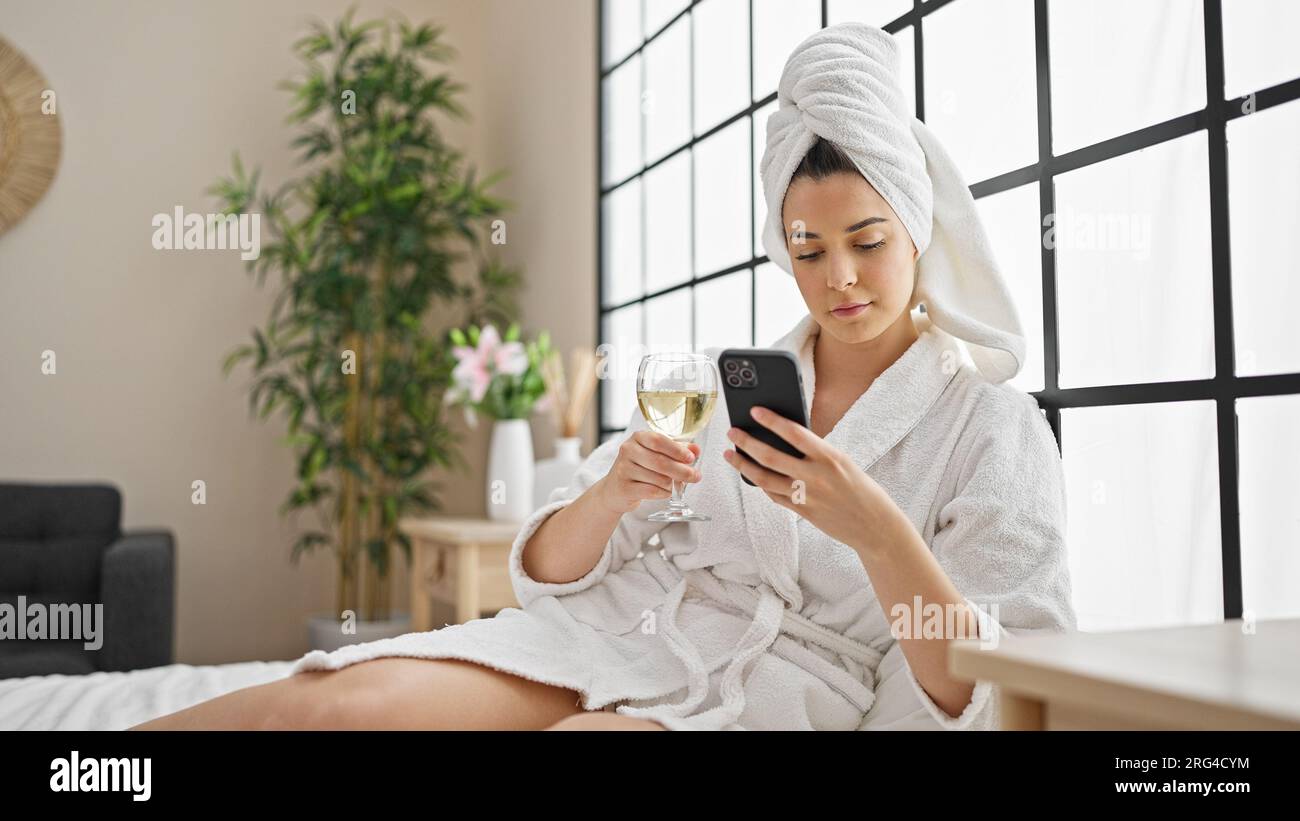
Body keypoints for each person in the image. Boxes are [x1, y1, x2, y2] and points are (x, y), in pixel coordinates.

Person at [131, 22, 1075, 732]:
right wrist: (616, 493)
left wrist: (877, 530)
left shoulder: (989, 424)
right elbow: (546, 569)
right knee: (331, 706)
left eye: (867, 242)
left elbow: (993, 686)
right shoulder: (727, 384)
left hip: (775, 688)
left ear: (915, 230)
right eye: (808, 246)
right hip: (618, 629)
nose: (839, 277)